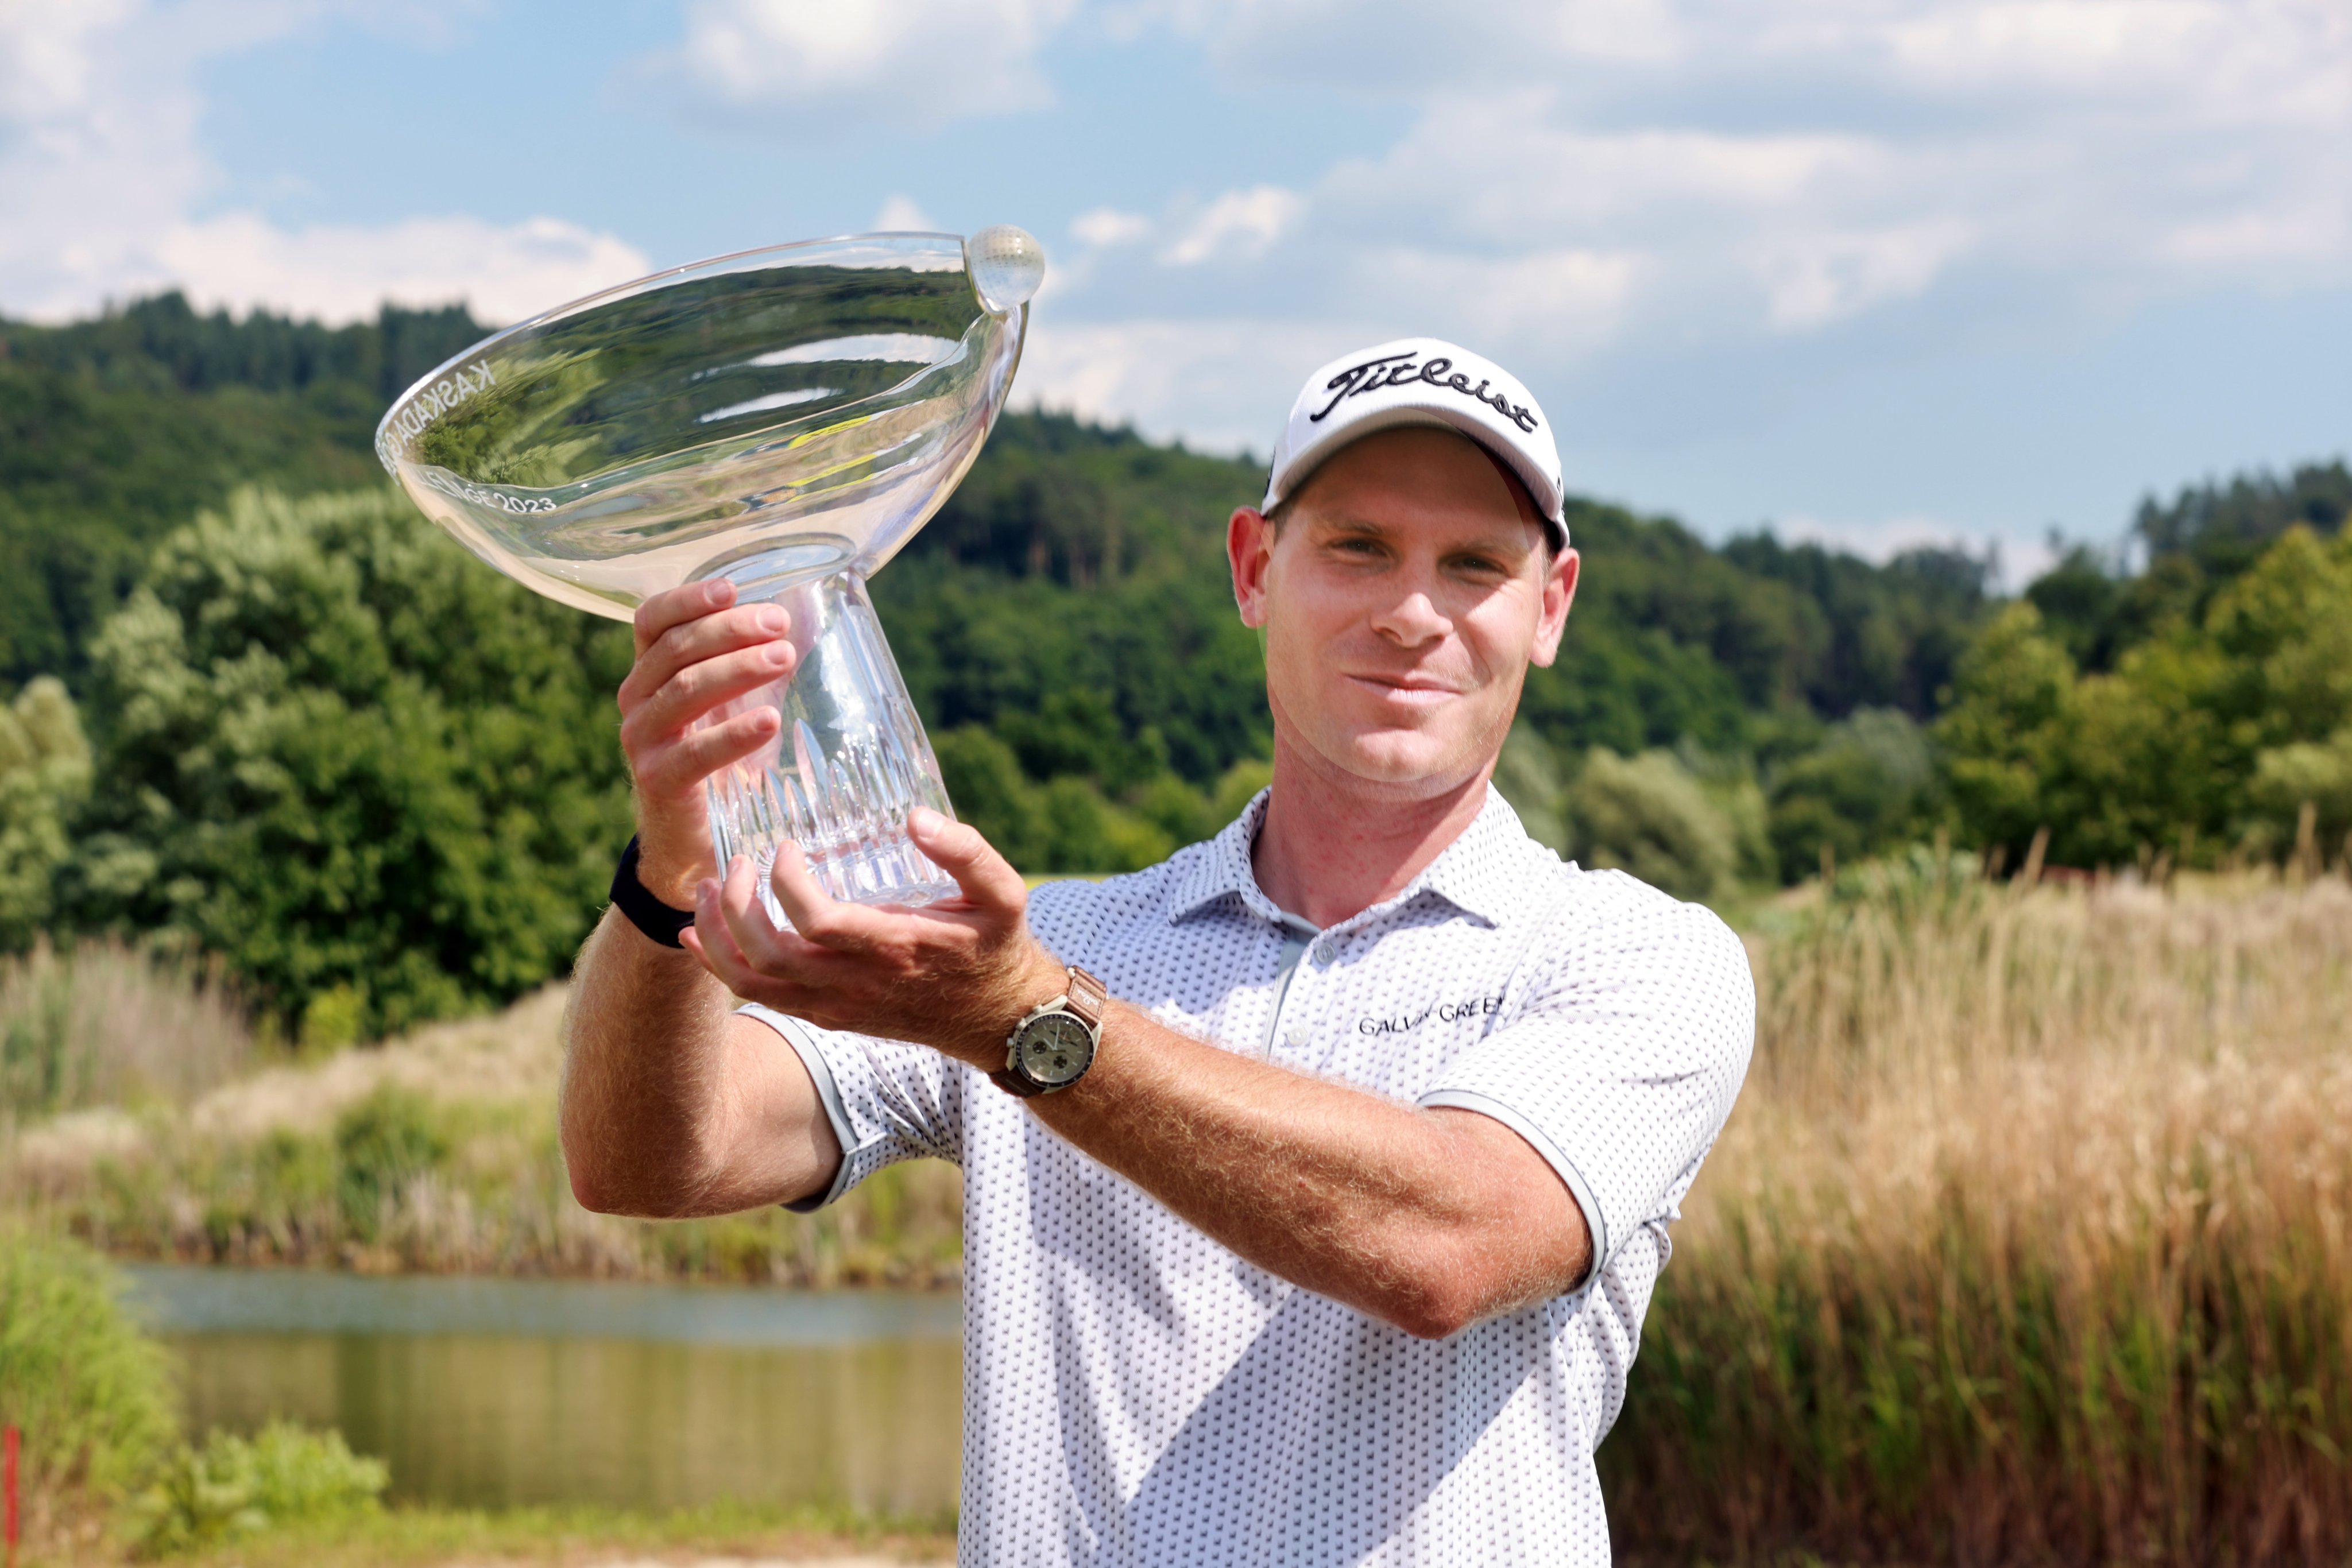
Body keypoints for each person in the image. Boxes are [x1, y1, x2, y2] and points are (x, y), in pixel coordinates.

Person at [561, 337, 1755, 1567]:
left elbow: (1445, 1248)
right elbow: (650, 1157)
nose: (1411, 613)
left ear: (1548, 605)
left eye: (1473, 566)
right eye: (1355, 546)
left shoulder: (1639, 958)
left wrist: (1022, 1024)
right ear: (1252, 568)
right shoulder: (1059, 943)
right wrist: (669, 884)